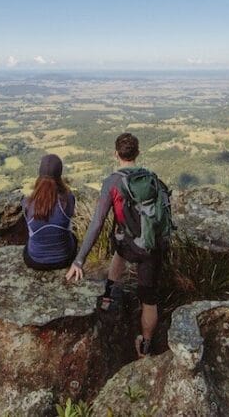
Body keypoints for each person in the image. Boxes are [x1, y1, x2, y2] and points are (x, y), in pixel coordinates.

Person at [65, 133, 171, 357]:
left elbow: (96, 224)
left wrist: (79, 260)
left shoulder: (112, 182)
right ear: (138, 153)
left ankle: (109, 294)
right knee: (149, 301)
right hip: (152, 247)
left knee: (119, 243)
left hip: (128, 244)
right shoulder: (152, 179)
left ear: (116, 154)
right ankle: (145, 346)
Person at [22, 153, 78, 270]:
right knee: (73, 236)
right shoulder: (68, 199)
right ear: (59, 174)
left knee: (29, 242)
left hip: (35, 260)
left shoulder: (27, 203)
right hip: (64, 259)